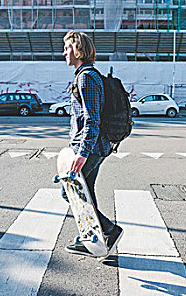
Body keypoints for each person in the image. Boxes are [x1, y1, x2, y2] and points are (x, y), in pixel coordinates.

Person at [61, 30, 123, 257]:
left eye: (67, 48)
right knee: (86, 193)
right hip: (93, 147)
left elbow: (92, 119)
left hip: (91, 149)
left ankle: (108, 230)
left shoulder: (86, 77)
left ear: (78, 50)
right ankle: (93, 238)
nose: (64, 53)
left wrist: (82, 153)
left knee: (71, 194)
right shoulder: (85, 75)